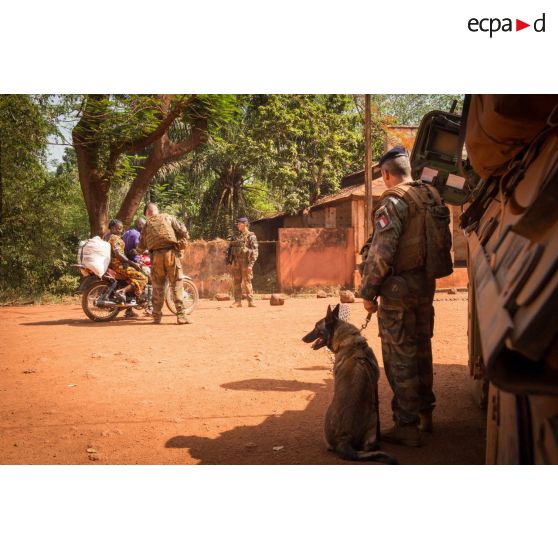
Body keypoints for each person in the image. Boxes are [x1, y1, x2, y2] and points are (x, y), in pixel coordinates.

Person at [359, 147, 452, 447]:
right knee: (422, 347)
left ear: (386, 174)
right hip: (426, 285)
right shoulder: (429, 195)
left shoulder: (394, 201)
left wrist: (368, 291)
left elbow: (382, 252)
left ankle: (406, 426)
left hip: (398, 289)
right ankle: (426, 415)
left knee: (400, 355)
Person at [137, 202, 191, 325]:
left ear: (147, 213)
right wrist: (183, 241)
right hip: (171, 254)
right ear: (157, 210)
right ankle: (181, 316)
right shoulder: (168, 217)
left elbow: (140, 246)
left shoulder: (146, 225)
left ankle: (156, 317)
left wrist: (138, 250)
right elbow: (183, 230)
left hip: (155, 257)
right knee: (176, 284)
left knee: (157, 287)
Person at [103, 219, 148, 315]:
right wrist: (131, 262)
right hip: (118, 265)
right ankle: (122, 291)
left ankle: (130, 306)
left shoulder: (106, 236)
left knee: (131, 279)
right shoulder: (114, 238)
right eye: (119, 228)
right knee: (143, 278)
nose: (121, 230)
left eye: (121, 228)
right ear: (113, 228)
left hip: (111, 265)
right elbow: (118, 254)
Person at [227, 217, 259, 308]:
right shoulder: (236, 236)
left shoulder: (251, 236)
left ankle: (251, 301)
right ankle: (237, 302)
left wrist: (251, 265)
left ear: (245, 224)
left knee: (247, 281)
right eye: (238, 224)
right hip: (236, 262)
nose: (238, 225)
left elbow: (255, 251)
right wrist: (230, 261)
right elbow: (230, 250)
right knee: (236, 282)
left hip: (246, 262)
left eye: (239, 224)